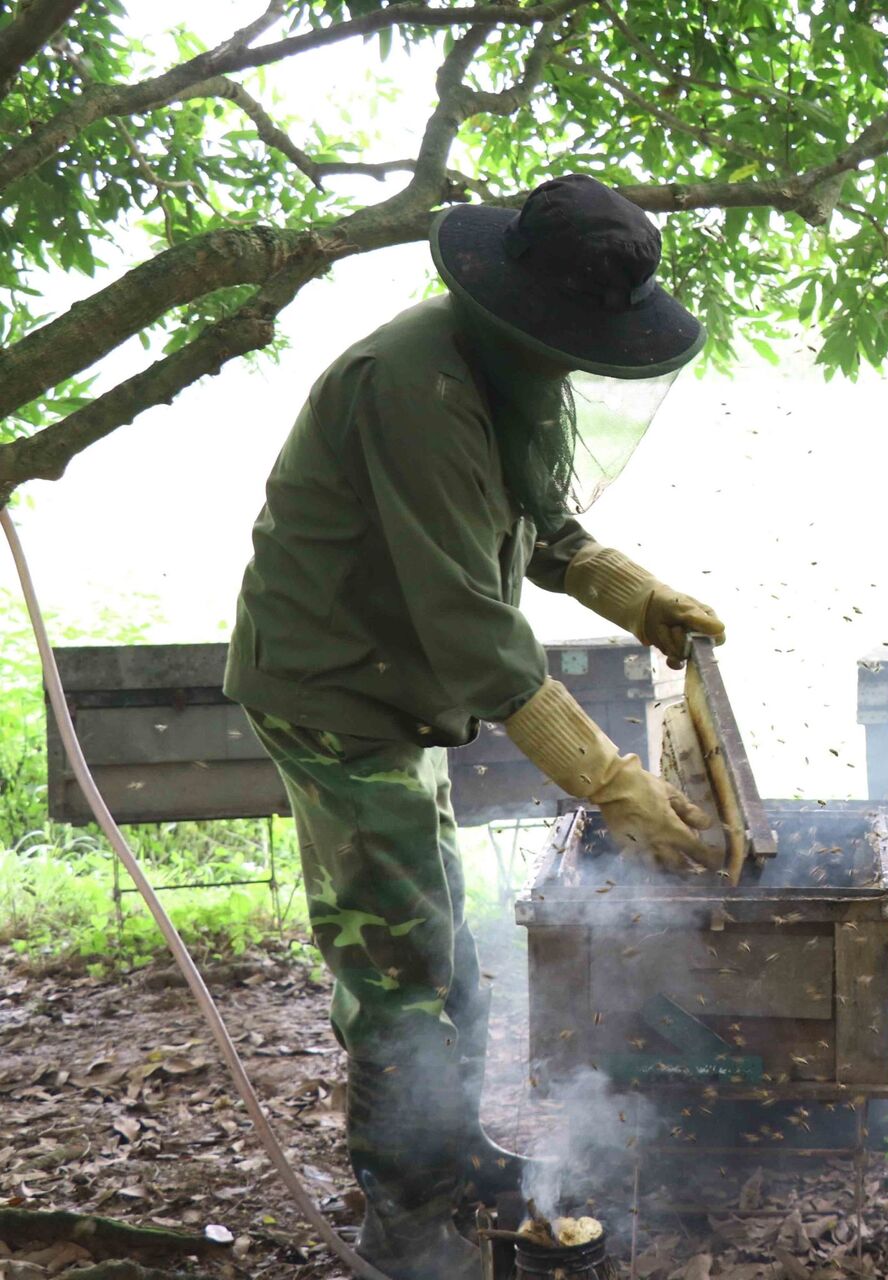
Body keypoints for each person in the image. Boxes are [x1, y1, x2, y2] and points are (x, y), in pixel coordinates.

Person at [223, 174, 722, 1280]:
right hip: (336, 697)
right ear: (510, 301)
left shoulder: (516, 369)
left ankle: (450, 1157)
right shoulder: (414, 384)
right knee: (401, 973)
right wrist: (608, 776)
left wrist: (639, 594)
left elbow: (543, 524)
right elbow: (467, 622)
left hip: (400, 686)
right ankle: (404, 1217)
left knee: (455, 960)